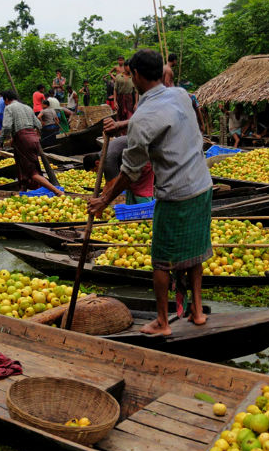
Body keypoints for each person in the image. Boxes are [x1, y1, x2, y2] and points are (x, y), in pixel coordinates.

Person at [88, 49, 213, 336]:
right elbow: (161, 119)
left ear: (135, 76)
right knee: (195, 253)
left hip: (176, 194)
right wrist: (122, 125)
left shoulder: (143, 117)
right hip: (202, 185)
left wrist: (104, 200)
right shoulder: (180, 95)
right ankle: (197, 313)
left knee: (161, 261)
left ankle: (162, 322)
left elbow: (130, 171)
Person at [0, 90, 63, 195]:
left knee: (32, 172)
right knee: (23, 167)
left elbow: (7, 127)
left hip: (23, 140)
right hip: (33, 139)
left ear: (6, 99)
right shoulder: (27, 107)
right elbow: (39, 125)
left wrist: (0, 143)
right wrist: (35, 134)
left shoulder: (9, 108)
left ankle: (56, 191)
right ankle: (22, 191)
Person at [83, 135, 154, 204]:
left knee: (141, 189)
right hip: (133, 161)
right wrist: (101, 197)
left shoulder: (107, 160)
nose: (96, 172)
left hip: (143, 158)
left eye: (95, 170)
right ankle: (132, 209)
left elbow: (113, 185)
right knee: (129, 185)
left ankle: (147, 208)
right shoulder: (102, 156)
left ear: (97, 163)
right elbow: (108, 183)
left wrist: (102, 201)